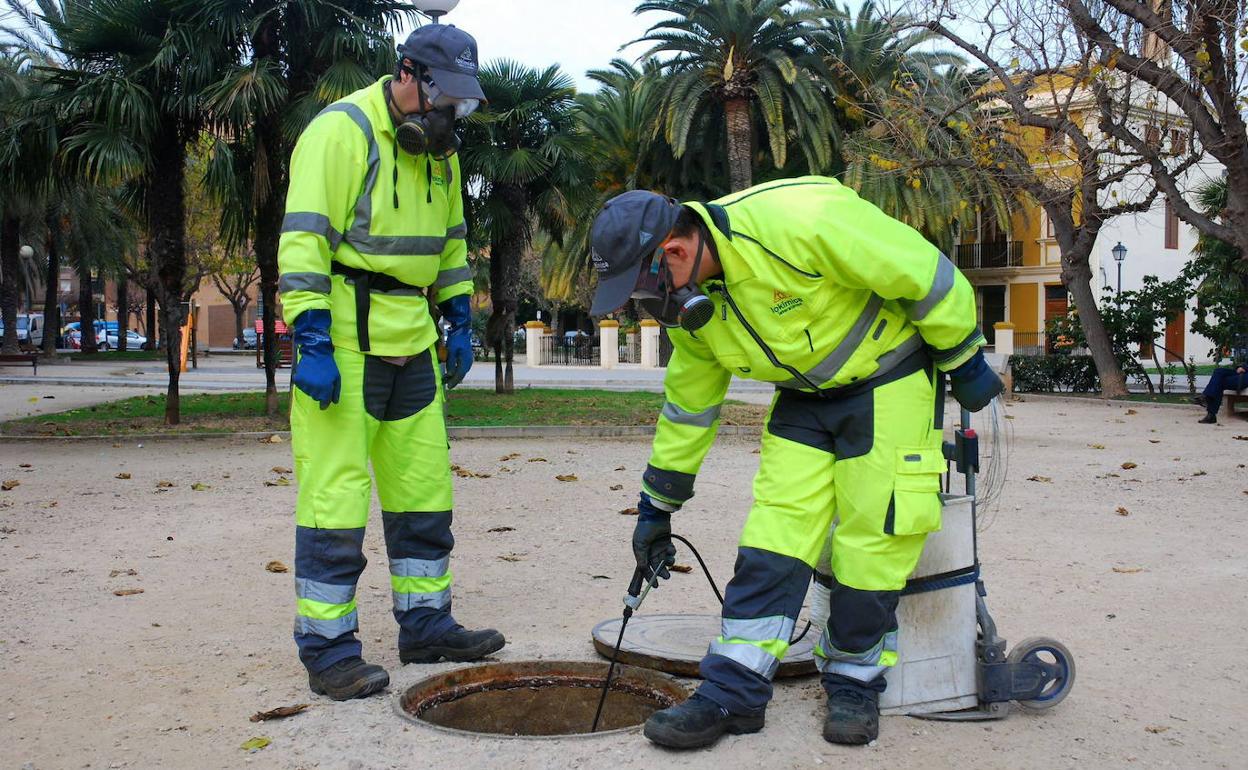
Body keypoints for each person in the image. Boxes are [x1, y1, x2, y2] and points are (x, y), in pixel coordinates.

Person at [587, 178, 1002, 749]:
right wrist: (657, 505)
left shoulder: (798, 220)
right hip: (805, 397)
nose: (645, 307)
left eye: (640, 291)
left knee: (871, 539)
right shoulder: (694, 311)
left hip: (890, 377)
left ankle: (854, 679)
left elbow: (925, 274)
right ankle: (732, 691)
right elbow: (689, 407)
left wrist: (962, 354)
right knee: (774, 534)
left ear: (674, 252)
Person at [277, 23, 504, 701]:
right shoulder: (339, 132)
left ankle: (426, 623)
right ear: (408, 74)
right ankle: (328, 649)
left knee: (424, 490)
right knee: (335, 497)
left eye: (462, 102)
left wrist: (461, 315)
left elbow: (454, 242)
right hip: (345, 340)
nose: (452, 114)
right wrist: (310, 339)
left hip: (413, 340)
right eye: (446, 98)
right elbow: (305, 241)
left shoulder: (441, 154)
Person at [1194, 338, 1246, 424]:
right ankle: (1207, 397)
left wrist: (1245, 368)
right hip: (1241, 372)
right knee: (1218, 372)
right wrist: (1241, 366)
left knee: (1218, 383)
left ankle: (1210, 411)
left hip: (1245, 376)